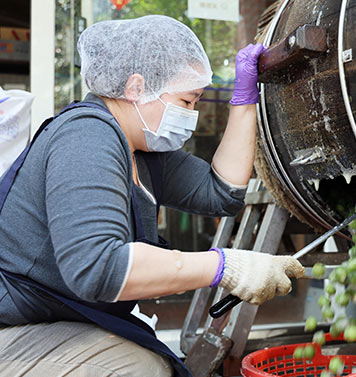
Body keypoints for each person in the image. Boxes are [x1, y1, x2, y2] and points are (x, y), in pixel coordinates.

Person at [0, 15, 304, 377]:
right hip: (15, 322)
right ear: (136, 87)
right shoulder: (86, 137)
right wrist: (223, 267)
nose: (191, 115)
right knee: (143, 369)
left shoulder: (141, 151)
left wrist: (245, 99)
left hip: (53, 314)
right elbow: (98, 268)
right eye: (187, 101)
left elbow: (223, 192)